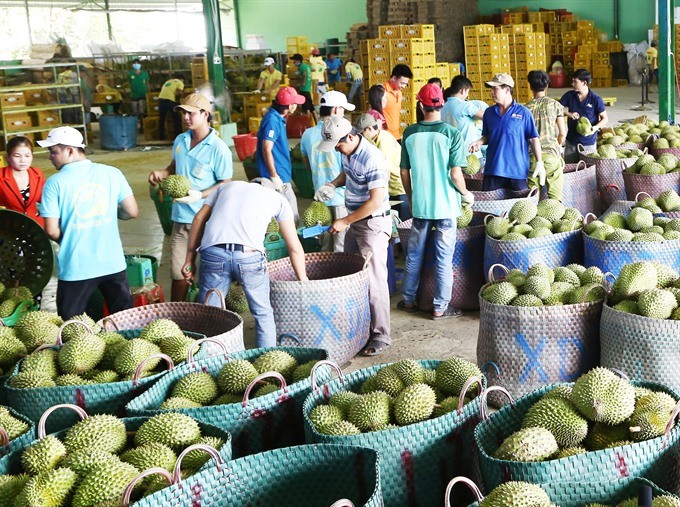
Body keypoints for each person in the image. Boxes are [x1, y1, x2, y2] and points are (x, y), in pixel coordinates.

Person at [182, 180, 307, 347]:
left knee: (209, 311)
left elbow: (198, 218)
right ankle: (267, 363)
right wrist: (303, 279)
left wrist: (189, 258)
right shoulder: (278, 199)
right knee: (263, 314)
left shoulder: (225, 187)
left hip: (214, 252)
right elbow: (294, 248)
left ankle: (207, 360)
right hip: (249, 255)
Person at [37, 127, 138, 320]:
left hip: (77, 266)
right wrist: (105, 214)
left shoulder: (54, 183)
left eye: (54, 151)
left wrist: (71, 236)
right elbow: (132, 211)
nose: (50, 157)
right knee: (126, 322)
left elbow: (51, 230)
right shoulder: (112, 173)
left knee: (71, 327)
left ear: (70, 151)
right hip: (112, 263)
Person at [315, 117, 392, 356]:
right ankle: (360, 329)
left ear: (351, 136)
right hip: (354, 220)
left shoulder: (373, 158)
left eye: (338, 144)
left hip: (372, 223)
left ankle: (381, 336)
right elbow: (347, 174)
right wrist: (332, 184)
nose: (337, 149)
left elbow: (376, 201)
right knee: (352, 276)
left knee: (375, 281)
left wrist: (344, 221)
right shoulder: (347, 152)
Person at [148, 92, 232, 302]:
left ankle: (209, 314)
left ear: (205, 114)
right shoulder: (180, 140)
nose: (185, 117)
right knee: (179, 274)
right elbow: (175, 166)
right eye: (183, 113)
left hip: (207, 220)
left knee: (210, 275)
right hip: (181, 220)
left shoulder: (218, 148)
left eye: (191, 113)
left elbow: (225, 183)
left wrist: (200, 195)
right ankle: (178, 313)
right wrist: (163, 173)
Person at [398, 84, 473, 319]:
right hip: (446, 207)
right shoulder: (451, 134)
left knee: (414, 255)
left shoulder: (409, 133)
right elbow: (455, 174)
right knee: (443, 258)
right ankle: (440, 307)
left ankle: (408, 300)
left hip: (421, 207)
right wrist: (466, 194)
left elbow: (403, 172)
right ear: (440, 104)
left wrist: (411, 197)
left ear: (421, 105)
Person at [469, 73, 544, 192]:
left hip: (517, 171)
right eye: (491, 89)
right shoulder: (489, 113)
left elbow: (534, 138)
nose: (491, 92)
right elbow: (489, 135)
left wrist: (539, 162)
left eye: (495, 88)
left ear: (507, 89)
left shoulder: (523, 113)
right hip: (493, 170)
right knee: (491, 208)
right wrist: (479, 142)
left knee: (519, 207)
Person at [300, 90, 354, 251]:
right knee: (341, 246)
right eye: (343, 109)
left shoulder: (307, 135)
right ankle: (340, 276)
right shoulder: (343, 134)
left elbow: (307, 164)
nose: (343, 113)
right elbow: (349, 169)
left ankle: (326, 275)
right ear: (336, 110)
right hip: (341, 199)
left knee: (325, 247)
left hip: (319, 198)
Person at [256, 86, 306, 225]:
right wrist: (274, 176)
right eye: (295, 103)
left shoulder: (278, 118)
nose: (296, 105)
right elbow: (267, 148)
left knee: (289, 216)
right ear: (289, 105)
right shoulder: (272, 120)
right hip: (276, 178)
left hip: (281, 174)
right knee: (289, 218)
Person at [353, 113, 410, 221]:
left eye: (362, 133)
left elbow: (384, 170)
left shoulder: (383, 141)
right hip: (395, 186)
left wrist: (379, 194)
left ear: (369, 129)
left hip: (398, 187)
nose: (360, 137)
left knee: (402, 223)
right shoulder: (380, 135)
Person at [526, 70, 567, 200]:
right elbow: (562, 133)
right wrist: (559, 146)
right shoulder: (555, 105)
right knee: (555, 200)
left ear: (530, 87)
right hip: (551, 156)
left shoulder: (525, 109)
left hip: (532, 157)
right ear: (547, 86)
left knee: (531, 200)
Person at [559, 68, 608, 163]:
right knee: (570, 168)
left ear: (584, 83)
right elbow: (557, 108)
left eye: (575, 81)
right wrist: (568, 113)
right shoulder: (569, 96)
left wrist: (595, 128)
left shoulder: (595, 99)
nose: (572, 84)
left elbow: (604, 118)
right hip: (571, 140)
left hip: (588, 142)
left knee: (589, 170)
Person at [0, 136, 45, 226]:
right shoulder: (1, 176)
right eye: (17, 156)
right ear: (8, 157)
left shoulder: (37, 173)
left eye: (27, 155)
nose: (23, 160)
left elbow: (44, 198)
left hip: (35, 224)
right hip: (10, 225)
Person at [441, 75, 486, 154]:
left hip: (453, 155)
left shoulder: (443, 108)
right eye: (467, 92)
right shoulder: (465, 105)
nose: (467, 95)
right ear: (462, 91)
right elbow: (487, 116)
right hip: (470, 154)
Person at [382, 64, 413, 140]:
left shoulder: (399, 93)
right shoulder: (382, 92)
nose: (404, 86)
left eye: (406, 84)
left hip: (397, 136)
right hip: (385, 137)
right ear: (394, 78)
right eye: (402, 83)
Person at [291, 53, 317, 124]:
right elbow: (314, 69)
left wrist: (302, 83)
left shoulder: (302, 67)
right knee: (312, 108)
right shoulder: (307, 66)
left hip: (304, 89)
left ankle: (307, 124)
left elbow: (304, 75)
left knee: (306, 108)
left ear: (298, 60)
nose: (293, 62)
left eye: (294, 60)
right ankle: (317, 123)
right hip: (308, 88)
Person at [158, 74, 185, 140]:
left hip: (160, 100)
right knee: (177, 118)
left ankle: (161, 137)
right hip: (169, 100)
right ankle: (178, 136)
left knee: (162, 119)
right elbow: (179, 92)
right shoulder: (180, 82)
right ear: (182, 79)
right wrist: (184, 96)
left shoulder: (168, 81)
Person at [127, 58, 149, 131]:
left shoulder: (144, 73)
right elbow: (129, 84)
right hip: (134, 95)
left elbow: (147, 83)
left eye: (137, 63)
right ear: (132, 65)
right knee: (134, 112)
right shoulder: (130, 74)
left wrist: (148, 93)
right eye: (134, 63)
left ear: (140, 65)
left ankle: (142, 127)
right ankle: (134, 127)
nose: (136, 65)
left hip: (143, 95)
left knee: (142, 112)